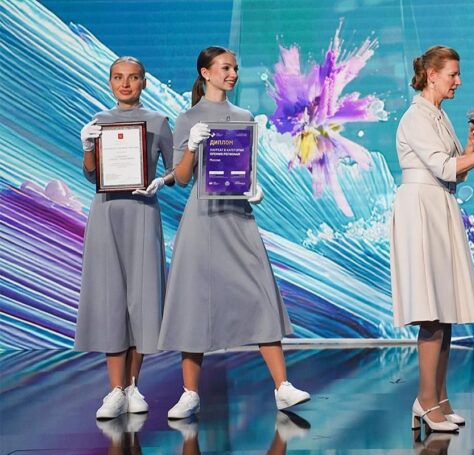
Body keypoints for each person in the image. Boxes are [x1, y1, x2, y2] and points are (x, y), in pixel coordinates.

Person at [158, 46, 309, 419]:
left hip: (237, 215)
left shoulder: (243, 117)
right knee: (194, 301)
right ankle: (189, 393)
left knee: (260, 295)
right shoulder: (187, 118)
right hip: (202, 218)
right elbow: (180, 178)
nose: (233, 74)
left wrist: (253, 187)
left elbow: (245, 167)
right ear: (206, 73)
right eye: (226, 68)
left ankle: (282, 387)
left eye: (235, 68)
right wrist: (192, 147)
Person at [392, 45, 474, 433]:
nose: (458, 81)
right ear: (432, 76)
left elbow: (455, 171)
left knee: (442, 311)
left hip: (439, 205)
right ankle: (425, 401)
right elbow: (443, 167)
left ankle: (439, 399)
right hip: (421, 210)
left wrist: (472, 147)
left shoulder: (438, 115)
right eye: (452, 74)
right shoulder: (416, 117)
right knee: (430, 311)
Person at [76, 56, 174, 420]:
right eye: (118, 77)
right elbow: (91, 175)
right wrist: (88, 147)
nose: (126, 84)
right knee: (110, 298)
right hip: (106, 215)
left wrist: (160, 181)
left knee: (142, 298)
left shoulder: (158, 122)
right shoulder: (98, 122)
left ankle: (133, 386)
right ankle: (114, 390)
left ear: (144, 82)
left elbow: (177, 171)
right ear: (110, 82)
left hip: (142, 213)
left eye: (133, 77)